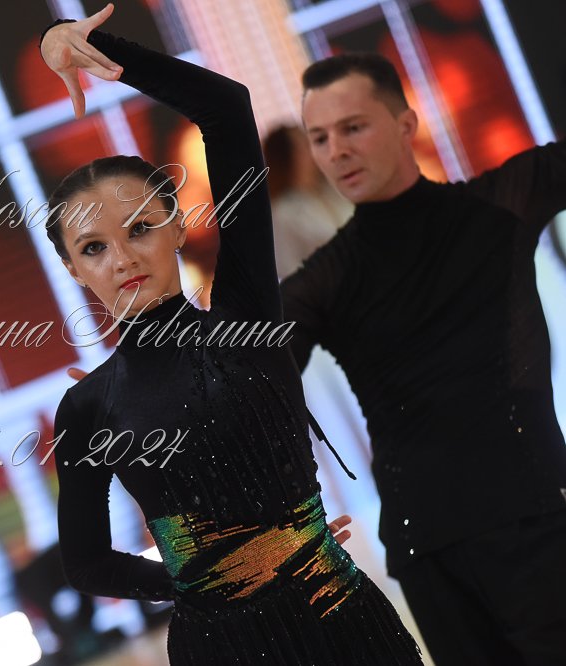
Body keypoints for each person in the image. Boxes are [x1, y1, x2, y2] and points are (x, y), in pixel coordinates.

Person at [39, 5, 423, 664]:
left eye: (139, 228)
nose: (122, 258)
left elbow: (225, 109)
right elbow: (87, 563)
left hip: (345, 627)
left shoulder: (246, 321)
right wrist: (201, 580)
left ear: (175, 226)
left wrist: (86, 44)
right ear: (73, 269)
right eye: (93, 247)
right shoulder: (86, 407)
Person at [281, 51, 566, 665]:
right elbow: (244, 381)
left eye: (353, 127)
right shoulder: (326, 280)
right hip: (428, 556)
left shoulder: (499, 206)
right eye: (320, 138)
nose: (337, 151)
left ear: (405, 123)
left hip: (537, 523)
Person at [262, 125, 352, 280]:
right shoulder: (283, 213)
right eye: (303, 146)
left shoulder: (336, 189)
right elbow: (290, 273)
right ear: (285, 156)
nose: (314, 150)